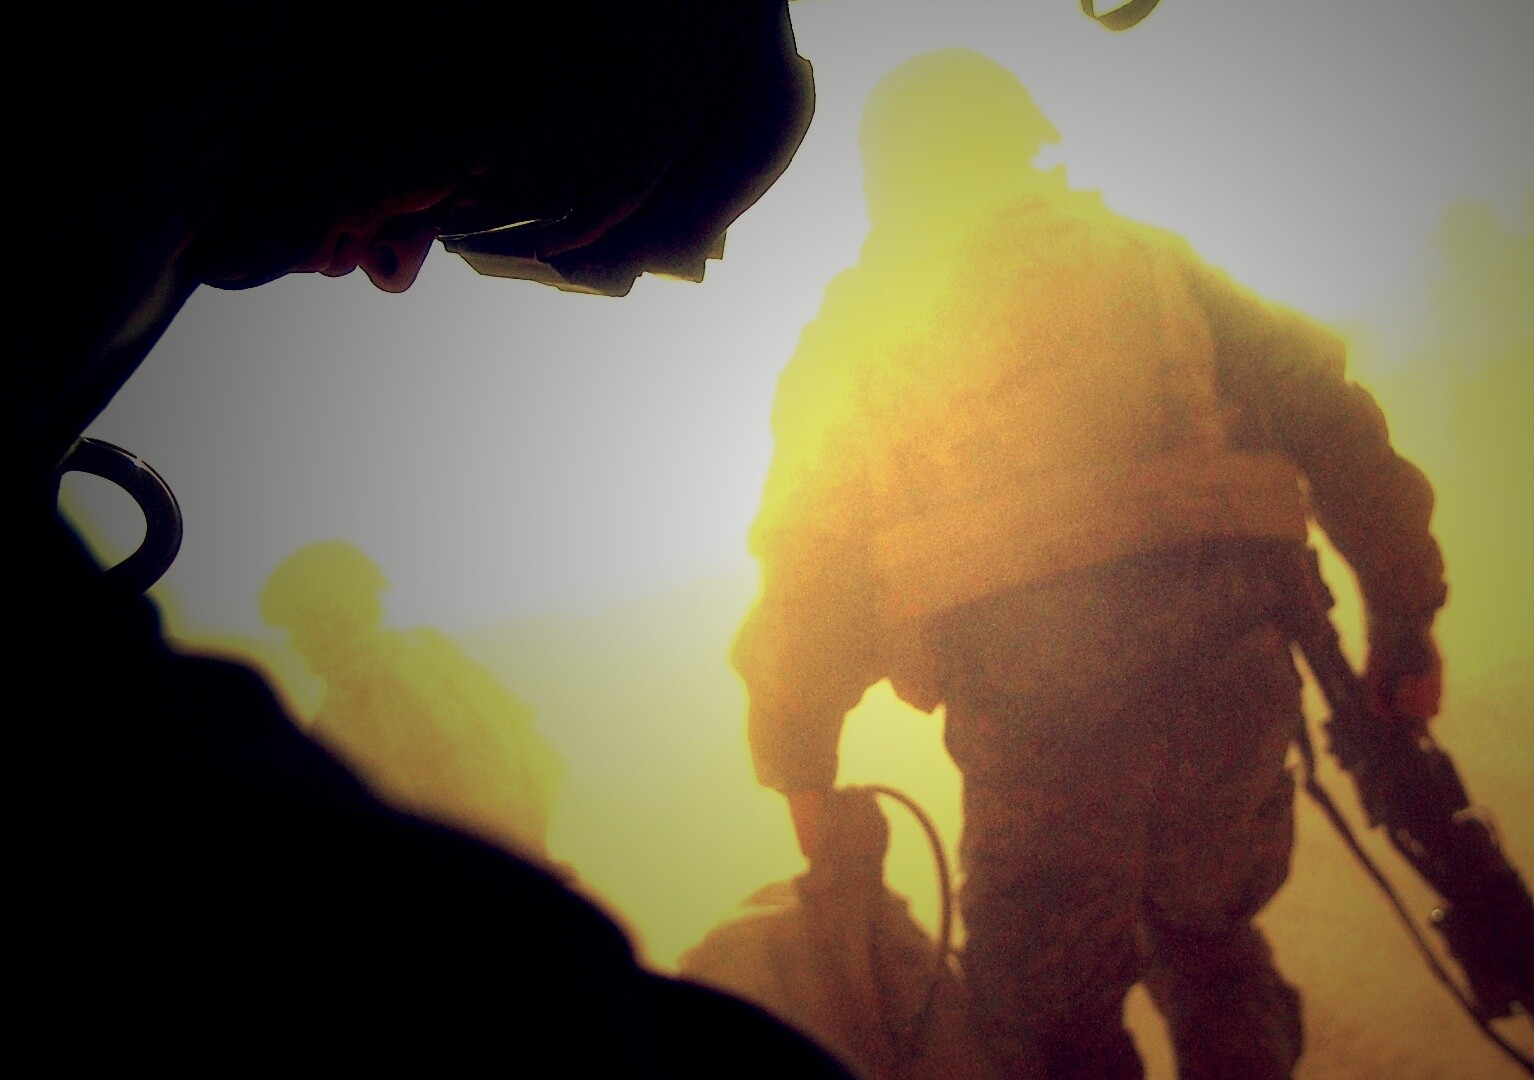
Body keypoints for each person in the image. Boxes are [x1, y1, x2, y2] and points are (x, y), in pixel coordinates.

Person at [23, 2, 857, 1073]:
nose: (398, 263)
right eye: (484, 195)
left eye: (475, 232)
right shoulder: (106, 115)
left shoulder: (153, 155)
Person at [732, 49, 1446, 1079]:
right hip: (1233, 679)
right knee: (1212, 946)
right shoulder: (1155, 265)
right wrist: (1405, 616)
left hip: (1039, 719)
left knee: (1049, 1026)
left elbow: (810, 561)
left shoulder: (863, 327)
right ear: (1025, 146)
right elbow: (1334, 426)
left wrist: (801, 760)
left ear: (888, 179)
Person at [260, 540, 564, 865]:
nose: (296, 643)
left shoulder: (402, 679)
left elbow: (480, 787)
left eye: (302, 624)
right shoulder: (357, 692)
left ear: (337, 619)